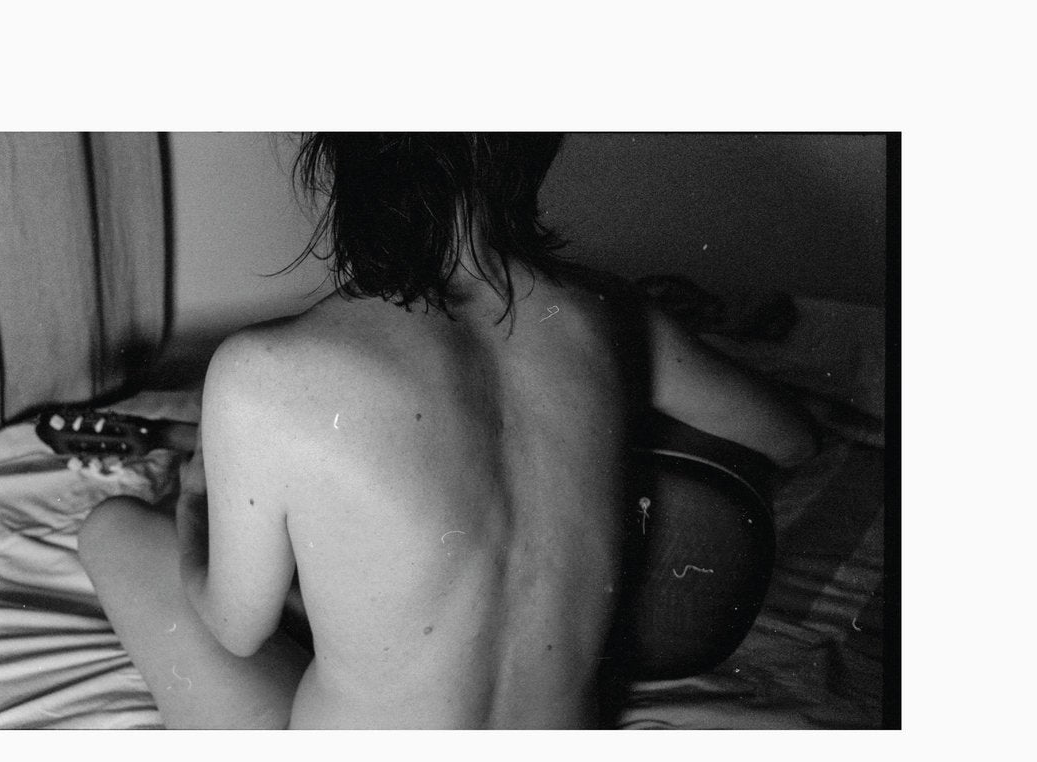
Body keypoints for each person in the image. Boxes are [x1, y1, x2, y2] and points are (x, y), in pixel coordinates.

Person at [77, 133, 815, 728]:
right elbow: (792, 438)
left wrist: (195, 500)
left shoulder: (261, 372)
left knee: (113, 529)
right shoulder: (613, 315)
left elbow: (237, 629)